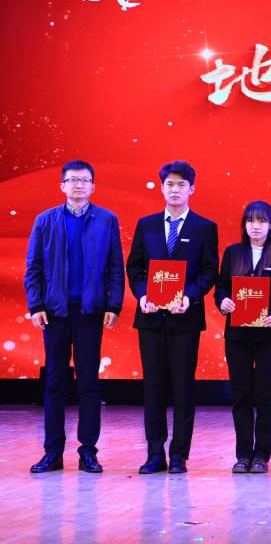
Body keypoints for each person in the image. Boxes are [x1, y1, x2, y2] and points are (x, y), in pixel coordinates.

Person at [25, 160, 124, 474]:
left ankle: (88, 452)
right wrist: (35, 305)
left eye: (84, 180)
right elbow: (34, 267)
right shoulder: (45, 220)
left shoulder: (106, 219)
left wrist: (114, 305)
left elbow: (115, 267)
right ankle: (52, 453)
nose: (78, 185)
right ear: (62, 186)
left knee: (89, 383)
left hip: (90, 311)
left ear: (93, 186)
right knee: (55, 383)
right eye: (72, 180)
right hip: (55, 312)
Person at [126, 161, 219, 474]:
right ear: (162, 188)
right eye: (170, 184)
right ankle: (155, 453)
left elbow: (209, 271)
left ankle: (179, 454)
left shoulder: (204, 227)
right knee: (153, 387)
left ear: (192, 188)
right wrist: (142, 295)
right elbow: (134, 267)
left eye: (181, 184)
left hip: (184, 319)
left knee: (183, 387)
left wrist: (189, 297)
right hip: (151, 318)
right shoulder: (147, 225)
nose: (175, 190)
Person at [214, 201, 271, 474]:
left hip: (268, 336)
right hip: (237, 336)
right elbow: (221, 287)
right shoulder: (232, 253)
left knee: (266, 395)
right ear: (244, 225)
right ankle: (243, 454)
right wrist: (223, 301)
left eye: (262, 221)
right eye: (251, 221)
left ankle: (261, 454)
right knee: (240, 395)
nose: (256, 226)